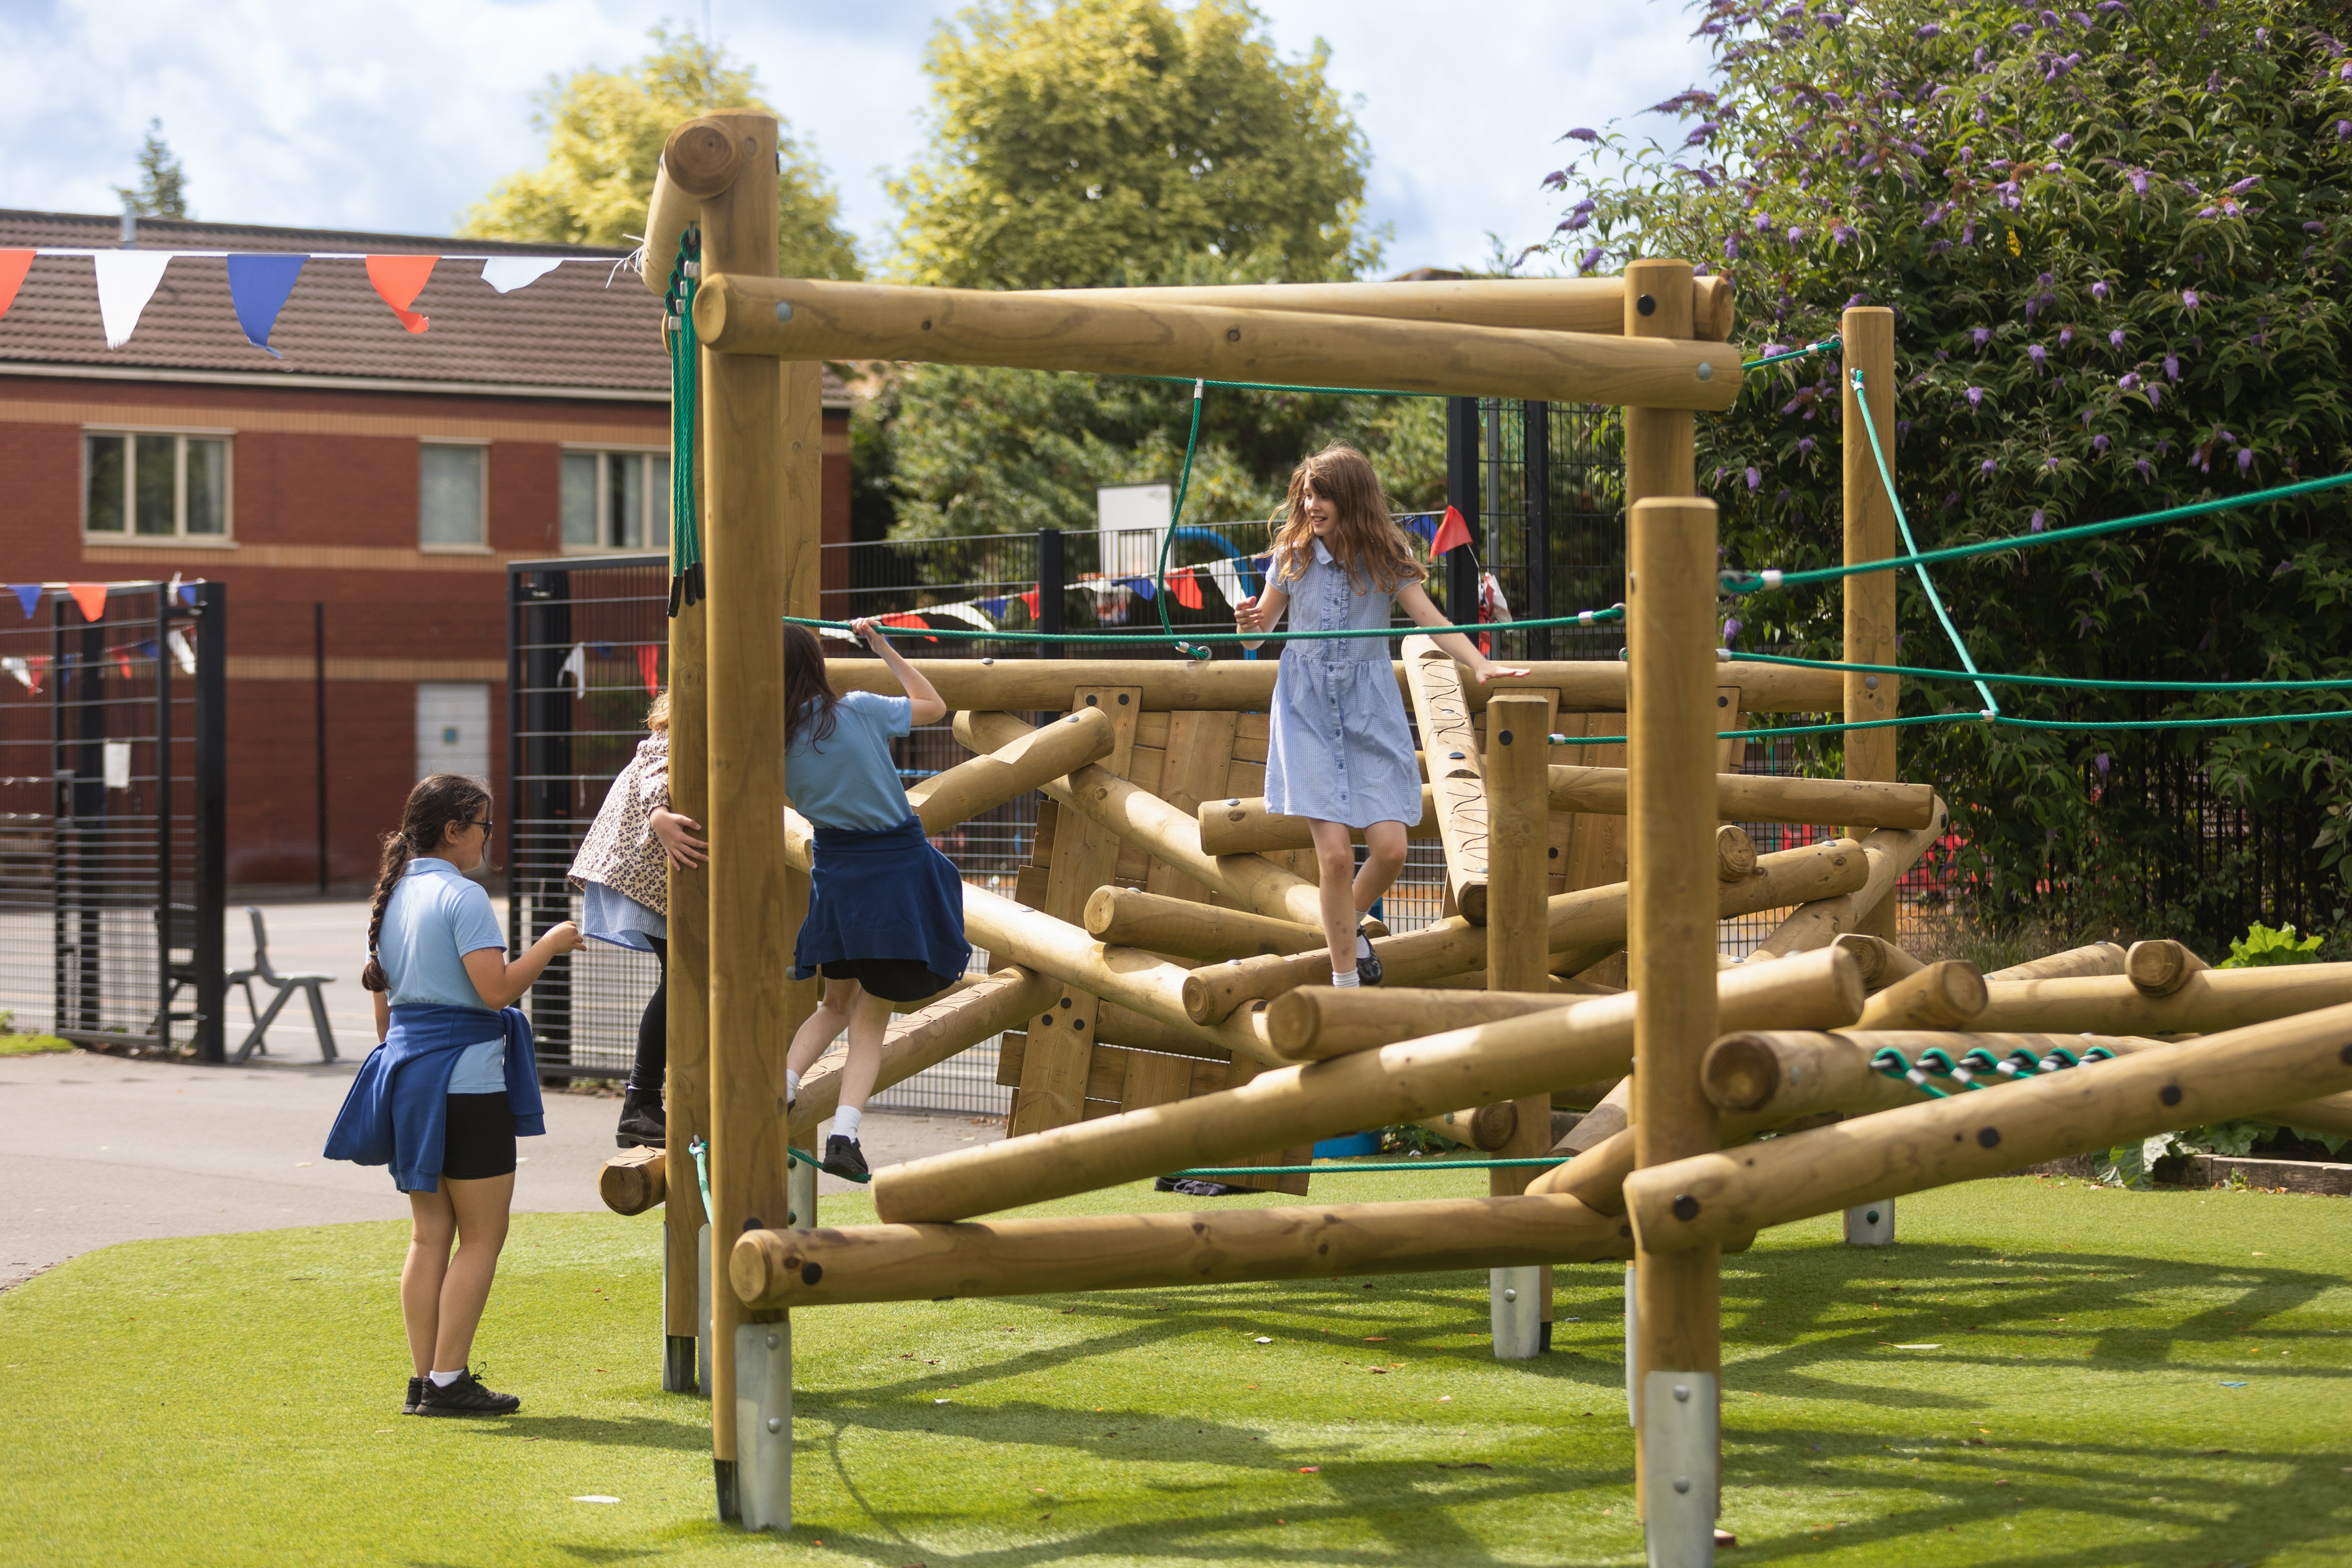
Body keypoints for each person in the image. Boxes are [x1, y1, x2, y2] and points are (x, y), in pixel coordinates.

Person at [324, 773, 585, 1418]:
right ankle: (446, 1381)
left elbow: (387, 1023)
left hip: (409, 1078)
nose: (488, 841)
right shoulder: (462, 897)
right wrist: (551, 944)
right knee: (482, 1237)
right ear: (454, 830)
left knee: (429, 1234)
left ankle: (426, 1380)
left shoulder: (390, 899)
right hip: (466, 1082)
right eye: (484, 827)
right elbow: (496, 991)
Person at [1235, 443, 1529, 987]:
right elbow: (1259, 636)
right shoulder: (1293, 557)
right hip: (1306, 711)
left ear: (1350, 498)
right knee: (1337, 856)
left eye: (1321, 494)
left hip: (1368, 706)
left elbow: (1431, 620)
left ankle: (1343, 922)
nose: (1310, 503)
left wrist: (1480, 665)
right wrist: (1247, 623)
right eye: (1305, 493)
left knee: (1392, 848)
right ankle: (1346, 981)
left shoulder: (1386, 559)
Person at [780, 619, 970, 1180]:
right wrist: (881, 645)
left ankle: (781, 1088)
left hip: (838, 874)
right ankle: (846, 1132)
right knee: (871, 1016)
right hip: (896, 871)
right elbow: (932, 705)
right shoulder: (857, 709)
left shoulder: (770, 739)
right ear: (816, 666)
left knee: (833, 1005)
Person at [566, 691, 708, 1148]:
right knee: (685, 976)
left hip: (650, 868)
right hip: (638, 866)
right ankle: (639, 1101)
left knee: (687, 975)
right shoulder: (678, 727)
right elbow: (654, 771)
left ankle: (644, 1099)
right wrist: (660, 813)